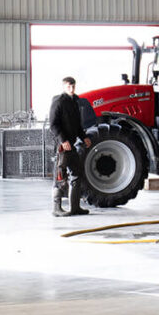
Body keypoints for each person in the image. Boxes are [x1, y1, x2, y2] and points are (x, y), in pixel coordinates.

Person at [48, 76, 91, 217]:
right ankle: (56, 208)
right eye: (69, 87)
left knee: (77, 174)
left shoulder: (75, 102)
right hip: (62, 146)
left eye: (73, 86)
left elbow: (77, 125)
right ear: (64, 87)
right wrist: (63, 140)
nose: (72, 89)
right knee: (60, 175)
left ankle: (75, 207)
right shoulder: (58, 102)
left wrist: (84, 137)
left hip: (71, 145)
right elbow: (53, 125)